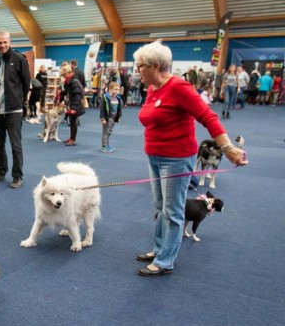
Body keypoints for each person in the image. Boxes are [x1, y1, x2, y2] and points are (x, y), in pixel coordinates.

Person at [133, 40, 247, 277]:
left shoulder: (180, 87)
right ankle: (159, 248)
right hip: (154, 156)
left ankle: (165, 261)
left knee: (173, 211)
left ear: (155, 66)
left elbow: (208, 116)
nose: (137, 69)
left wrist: (227, 148)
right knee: (160, 207)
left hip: (175, 159)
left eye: (140, 65)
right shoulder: (152, 89)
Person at [0, 30, 30, 189]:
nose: (2, 45)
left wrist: (20, 102)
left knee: (15, 145)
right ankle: (0, 172)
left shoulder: (19, 59)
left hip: (13, 111)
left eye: (4, 42)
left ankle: (17, 176)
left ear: (9, 42)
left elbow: (26, 84)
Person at [63, 68, 85, 147]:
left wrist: (74, 108)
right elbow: (68, 92)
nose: (63, 77)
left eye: (64, 75)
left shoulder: (74, 81)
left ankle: (73, 140)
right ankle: (71, 138)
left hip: (75, 105)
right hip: (71, 103)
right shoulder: (68, 81)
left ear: (69, 73)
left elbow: (77, 95)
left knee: (74, 122)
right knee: (72, 121)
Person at [98, 81, 122, 153]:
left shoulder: (117, 98)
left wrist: (119, 116)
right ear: (110, 89)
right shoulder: (106, 97)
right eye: (115, 89)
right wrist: (102, 118)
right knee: (105, 132)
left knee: (109, 132)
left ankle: (107, 145)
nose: (117, 91)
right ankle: (104, 146)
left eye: (118, 89)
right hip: (107, 118)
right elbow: (102, 109)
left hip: (114, 118)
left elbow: (119, 108)